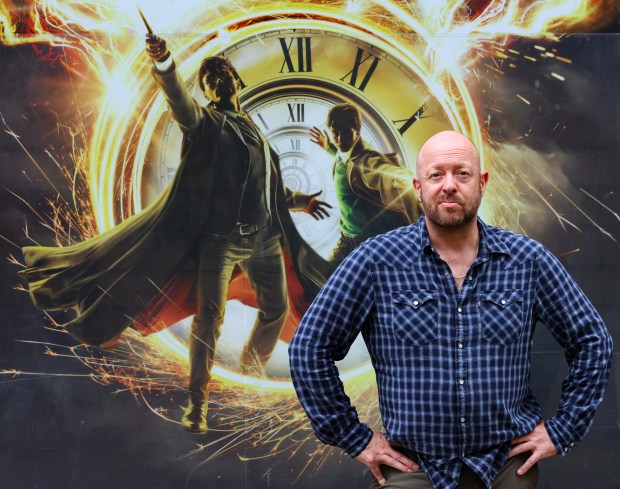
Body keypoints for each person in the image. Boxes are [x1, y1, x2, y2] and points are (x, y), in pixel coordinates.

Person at [19, 34, 332, 435]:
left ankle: (248, 375)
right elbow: (180, 104)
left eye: (220, 74)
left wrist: (299, 200)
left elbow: (266, 186)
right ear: (207, 91)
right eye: (208, 80)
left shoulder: (254, 133)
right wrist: (164, 63)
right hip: (223, 239)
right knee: (209, 317)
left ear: (234, 80)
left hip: (266, 239)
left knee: (276, 309)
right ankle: (197, 403)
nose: (215, 82)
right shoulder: (206, 124)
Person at [289, 130, 613, 488]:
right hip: (412, 466)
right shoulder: (375, 260)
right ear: (417, 186)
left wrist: (562, 430)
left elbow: (593, 340)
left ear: (482, 183)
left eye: (462, 173)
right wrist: (355, 439)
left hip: (504, 466)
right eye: (436, 174)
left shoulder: (528, 260)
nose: (449, 185)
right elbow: (309, 348)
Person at [309, 103, 419, 267]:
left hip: (368, 242)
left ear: (357, 129)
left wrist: (403, 179)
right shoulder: (344, 153)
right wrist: (329, 147)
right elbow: (344, 160)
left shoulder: (368, 160)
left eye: (344, 132)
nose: (338, 139)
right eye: (334, 133)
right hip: (347, 237)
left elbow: (387, 172)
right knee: (323, 278)